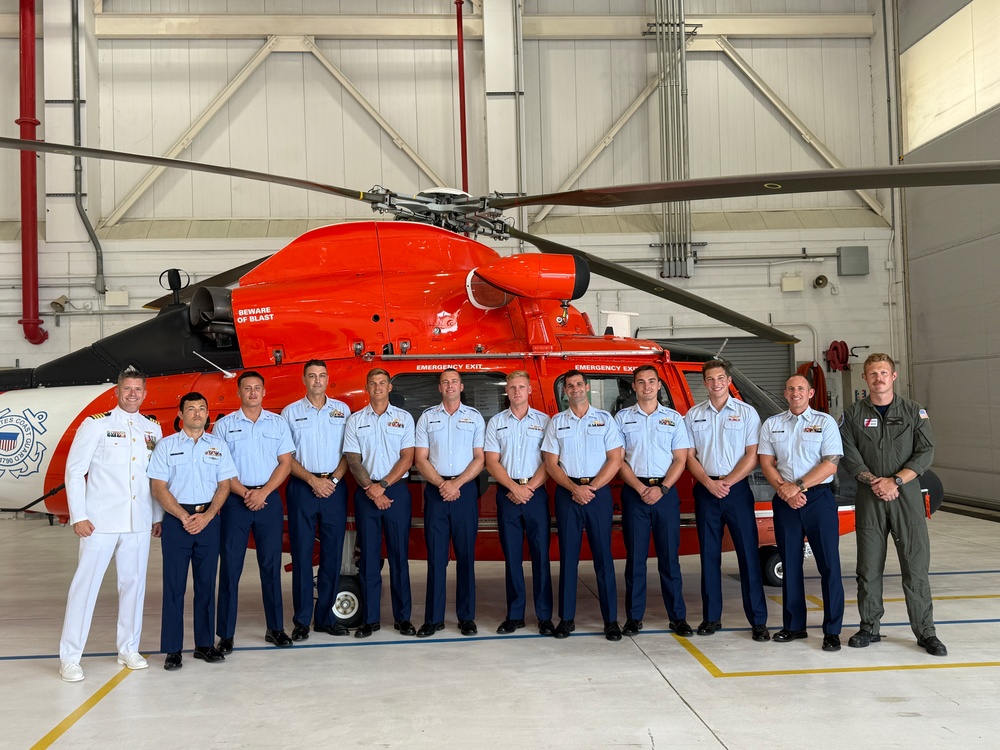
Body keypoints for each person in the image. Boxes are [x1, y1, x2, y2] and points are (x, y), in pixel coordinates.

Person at [58, 367, 162, 682]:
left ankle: (128, 648)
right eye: (127, 389)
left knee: (133, 587)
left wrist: (157, 517)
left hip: (138, 521)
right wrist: (79, 515)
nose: (132, 394)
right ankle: (70, 657)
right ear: (117, 392)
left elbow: (154, 477)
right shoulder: (96, 425)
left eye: (138, 390)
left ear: (145, 394)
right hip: (99, 522)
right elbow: (75, 471)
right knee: (84, 588)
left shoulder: (152, 429)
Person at [839, 353, 944, 656]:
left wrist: (895, 481)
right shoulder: (853, 414)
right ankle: (869, 627)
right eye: (872, 373)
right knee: (869, 567)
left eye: (884, 372)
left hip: (906, 498)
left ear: (893, 376)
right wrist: (876, 482)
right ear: (865, 378)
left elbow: (925, 452)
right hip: (870, 497)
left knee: (915, 567)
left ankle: (926, 633)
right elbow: (849, 454)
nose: (878, 378)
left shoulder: (913, 412)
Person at [148, 392, 238, 670]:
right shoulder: (165, 446)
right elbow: (158, 487)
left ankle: (204, 645)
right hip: (178, 521)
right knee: (174, 587)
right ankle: (173, 649)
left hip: (209, 521)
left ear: (208, 414)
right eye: (191, 409)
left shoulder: (218, 445)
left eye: (202, 408)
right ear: (180, 414)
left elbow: (225, 485)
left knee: (206, 586)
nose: (197, 413)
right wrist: (184, 517)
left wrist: (208, 516)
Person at [758, 375, 844, 651]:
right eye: (791, 389)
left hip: (818, 499)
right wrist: (785, 490)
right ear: (785, 393)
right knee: (790, 564)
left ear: (810, 393)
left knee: (829, 565)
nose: (796, 393)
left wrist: (798, 487)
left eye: (801, 389)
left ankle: (832, 630)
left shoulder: (824, 422)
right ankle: (794, 626)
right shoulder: (772, 424)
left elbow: (831, 465)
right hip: (784, 499)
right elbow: (766, 462)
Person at [685, 359, 770, 641]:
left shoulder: (747, 413)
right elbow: (689, 456)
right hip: (706, 490)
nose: (716, 383)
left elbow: (752, 455)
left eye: (720, 378)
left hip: (737, 491)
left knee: (748, 556)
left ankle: (758, 620)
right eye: (710, 379)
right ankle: (711, 618)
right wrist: (709, 483)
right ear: (705, 382)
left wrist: (728, 482)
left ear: (728, 380)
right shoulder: (693, 415)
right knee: (709, 557)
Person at [213, 371, 295, 651]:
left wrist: (263, 492)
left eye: (257, 388)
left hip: (268, 500)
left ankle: (275, 629)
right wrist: (246, 493)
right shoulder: (224, 426)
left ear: (264, 392)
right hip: (236, 501)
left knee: (271, 568)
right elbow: (221, 467)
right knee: (231, 569)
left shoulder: (278, 423)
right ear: (238, 393)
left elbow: (285, 462)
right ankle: (225, 635)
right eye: (247, 388)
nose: (252, 393)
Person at [541, 369, 624, 641]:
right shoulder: (556, 422)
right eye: (570, 386)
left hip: (597, 494)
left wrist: (592, 487)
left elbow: (615, 458)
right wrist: (574, 488)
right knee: (568, 559)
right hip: (568, 493)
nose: (575, 389)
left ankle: (610, 620)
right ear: (565, 391)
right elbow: (550, 463)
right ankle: (566, 619)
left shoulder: (605, 420)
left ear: (586, 388)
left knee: (603, 559)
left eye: (579, 384)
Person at [615, 365, 692, 637]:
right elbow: (618, 460)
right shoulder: (621, 419)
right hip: (634, 494)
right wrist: (638, 487)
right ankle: (634, 618)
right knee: (635, 560)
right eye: (640, 382)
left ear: (659, 385)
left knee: (670, 559)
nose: (646, 386)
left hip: (665, 495)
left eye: (651, 381)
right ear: (633, 387)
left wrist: (663, 488)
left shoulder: (674, 419)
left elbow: (680, 459)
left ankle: (678, 617)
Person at [343, 368, 417, 638]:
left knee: (399, 559)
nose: (377, 387)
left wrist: (382, 486)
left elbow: (407, 458)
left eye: (382, 383)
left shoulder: (404, 418)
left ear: (389, 388)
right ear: (367, 387)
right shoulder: (355, 421)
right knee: (369, 560)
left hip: (396, 492)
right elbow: (353, 459)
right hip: (366, 494)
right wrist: (371, 489)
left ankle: (403, 618)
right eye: (373, 383)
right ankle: (370, 620)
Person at [281, 360, 351, 640]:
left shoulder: (342, 411)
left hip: (334, 488)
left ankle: (325, 618)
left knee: (333, 555)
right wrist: (312, 480)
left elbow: (350, 452)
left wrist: (331, 481)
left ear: (328, 379)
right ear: (304, 379)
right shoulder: (290, 413)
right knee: (301, 555)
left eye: (322, 375)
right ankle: (300, 620)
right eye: (312, 376)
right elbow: (286, 456)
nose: (317, 380)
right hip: (302, 487)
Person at [414, 369, 486, 638]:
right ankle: (433, 619)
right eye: (445, 382)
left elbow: (480, 458)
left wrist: (456, 484)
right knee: (436, 558)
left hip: (465, 492)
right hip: (435, 491)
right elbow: (421, 458)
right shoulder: (427, 418)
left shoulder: (475, 418)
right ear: (439, 388)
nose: (450, 385)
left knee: (466, 557)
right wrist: (443, 484)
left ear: (461, 386)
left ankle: (466, 617)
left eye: (454, 381)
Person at [484, 371, 554, 636]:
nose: (516, 392)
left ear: (529, 390)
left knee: (541, 557)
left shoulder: (545, 421)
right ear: (507, 392)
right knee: (512, 559)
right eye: (512, 387)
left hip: (536, 495)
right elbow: (492, 461)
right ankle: (514, 615)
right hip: (508, 494)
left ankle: (544, 617)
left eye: (521, 387)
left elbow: (550, 460)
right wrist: (514, 488)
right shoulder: (496, 423)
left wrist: (529, 488)